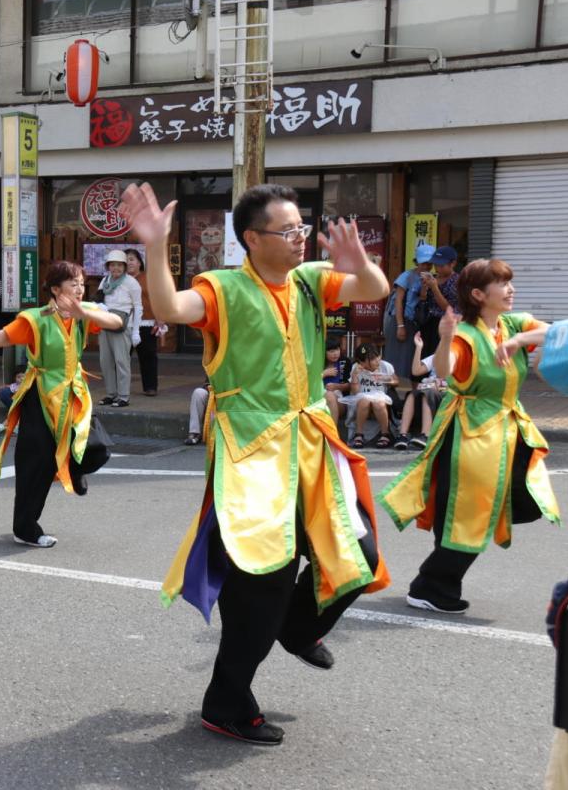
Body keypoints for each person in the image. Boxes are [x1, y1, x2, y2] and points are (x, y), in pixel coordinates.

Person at [122, 181, 390, 746]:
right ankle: (228, 701)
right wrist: (155, 246)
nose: (299, 239)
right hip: (251, 457)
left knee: (356, 555)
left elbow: (375, 287)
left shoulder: (311, 282)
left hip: (311, 444)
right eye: (286, 231)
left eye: (301, 228)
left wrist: (358, 261)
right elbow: (170, 307)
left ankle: (298, 629)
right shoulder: (222, 288)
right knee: (260, 586)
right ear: (251, 238)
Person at [379, 259, 560, 615]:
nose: (511, 289)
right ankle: (431, 586)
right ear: (478, 294)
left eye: (510, 282)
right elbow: (445, 371)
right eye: (502, 284)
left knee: (485, 509)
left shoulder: (512, 324)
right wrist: (445, 338)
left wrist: (521, 339)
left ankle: (434, 585)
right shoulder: (464, 333)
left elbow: (561, 331)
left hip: (506, 430)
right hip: (472, 434)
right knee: (469, 513)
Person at [0, 261, 122, 548]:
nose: (80, 289)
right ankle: (26, 527)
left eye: (82, 283)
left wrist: (84, 312)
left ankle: (74, 469)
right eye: (73, 284)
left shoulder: (85, 313)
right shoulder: (36, 318)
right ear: (56, 290)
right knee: (36, 464)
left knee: (96, 451)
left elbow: (117, 322)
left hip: (72, 395)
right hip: (40, 396)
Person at [97, 250, 142, 407]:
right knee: (105, 361)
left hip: (123, 327)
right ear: (108, 266)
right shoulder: (105, 281)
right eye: (112, 265)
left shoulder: (131, 283)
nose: (115, 268)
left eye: (119, 265)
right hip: (105, 324)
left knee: (122, 361)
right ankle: (111, 394)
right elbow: (98, 299)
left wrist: (136, 331)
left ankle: (123, 396)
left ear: (124, 266)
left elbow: (138, 307)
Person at [382, 244, 432, 385]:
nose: (427, 266)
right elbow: (398, 301)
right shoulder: (407, 276)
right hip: (400, 321)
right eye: (423, 263)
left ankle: (404, 395)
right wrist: (400, 325)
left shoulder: (430, 279)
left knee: (409, 359)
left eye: (429, 263)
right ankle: (392, 396)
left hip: (415, 324)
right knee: (396, 360)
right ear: (417, 262)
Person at [395, 331, 446, 450]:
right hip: (430, 388)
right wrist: (418, 348)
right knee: (412, 394)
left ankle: (425, 435)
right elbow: (416, 371)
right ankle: (403, 435)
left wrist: (440, 384)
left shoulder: (458, 356)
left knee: (427, 393)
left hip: (447, 391)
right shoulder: (436, 357)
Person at [341, 343, 398, 449]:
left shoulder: (385, 366)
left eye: (378, 357)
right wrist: (354, 376)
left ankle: (385, 434)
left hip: (380, 396)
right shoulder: (356, 368)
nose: (377, 361)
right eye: (372, 359)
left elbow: (396, 381)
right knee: (364, 400)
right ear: (362, 362)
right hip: (362, 397)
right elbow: (356, 392)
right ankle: (359, 434)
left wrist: (386, 380)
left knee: (379, 403)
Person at [126, 249, 164, 397]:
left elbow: (158, 298)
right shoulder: (119, 279)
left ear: (139, 262)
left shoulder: (148, 278)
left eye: (132, 259)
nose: (129, 262)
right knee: (122, 358)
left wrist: (160, 317)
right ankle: (120, 388)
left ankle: (150, 387)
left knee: (148, 356)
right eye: (126, 259)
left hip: (146, 322)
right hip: (125, 323)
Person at [417, 246, 459, 357]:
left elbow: (448, 308)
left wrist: (435, 288)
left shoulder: (457, 281)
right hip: (427, 323)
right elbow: (423, 299)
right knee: (424, 356)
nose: (437, 268)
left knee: (439, 357)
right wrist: (424, 289)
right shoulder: (433, 278)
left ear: (453, 264)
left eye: (441, 265)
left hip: (445, 324)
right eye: (435, 265)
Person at [322, 338, 351, 422]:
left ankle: (332, 433)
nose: (335, 354)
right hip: (319, 399)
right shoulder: (319, 362)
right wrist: (323, 374)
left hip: (340, 400)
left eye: (337, 350)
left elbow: (350, 385)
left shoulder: (344, 362)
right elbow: (309, 383)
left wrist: (336, 386)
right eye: (331, 351)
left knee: (330, 395)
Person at [185, 381, 210, 446]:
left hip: (233, 401)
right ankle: (195, 432)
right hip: (215, 398)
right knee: (199, 392)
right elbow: (207, 384)